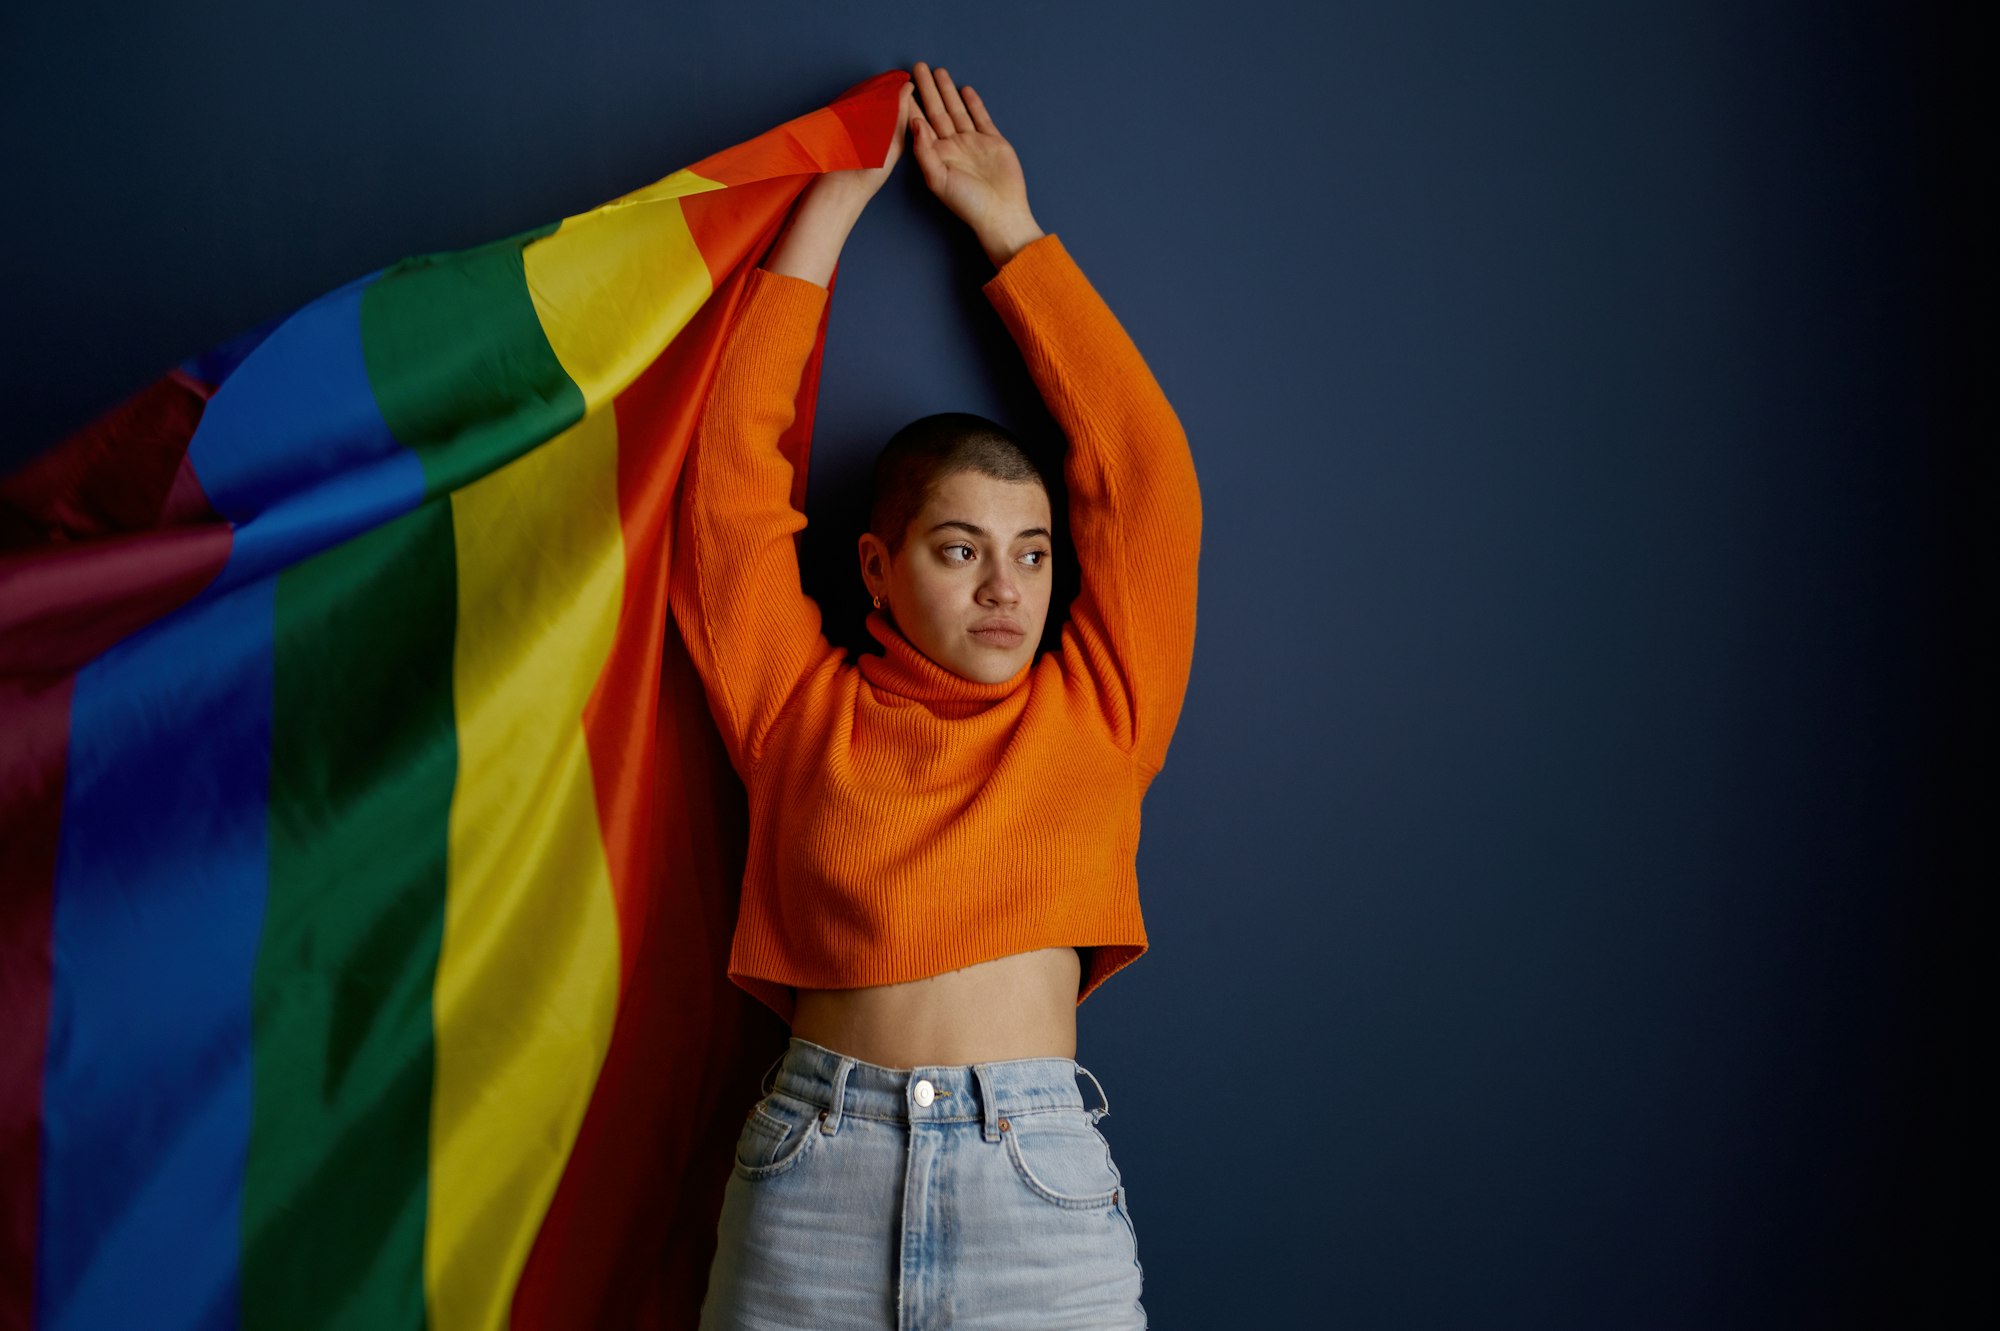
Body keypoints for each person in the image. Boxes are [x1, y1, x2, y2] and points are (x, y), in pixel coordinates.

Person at [670, 59, 1201, 1330]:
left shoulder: (1101, 705)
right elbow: (727, 505)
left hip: (1036, 1192)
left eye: (1030, 554)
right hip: (811, 1177)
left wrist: (1010, 233)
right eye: (959, 549)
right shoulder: (799, 713)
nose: (1005, 590)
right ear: (879, 565)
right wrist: (819, 226)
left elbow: (1144, 481)